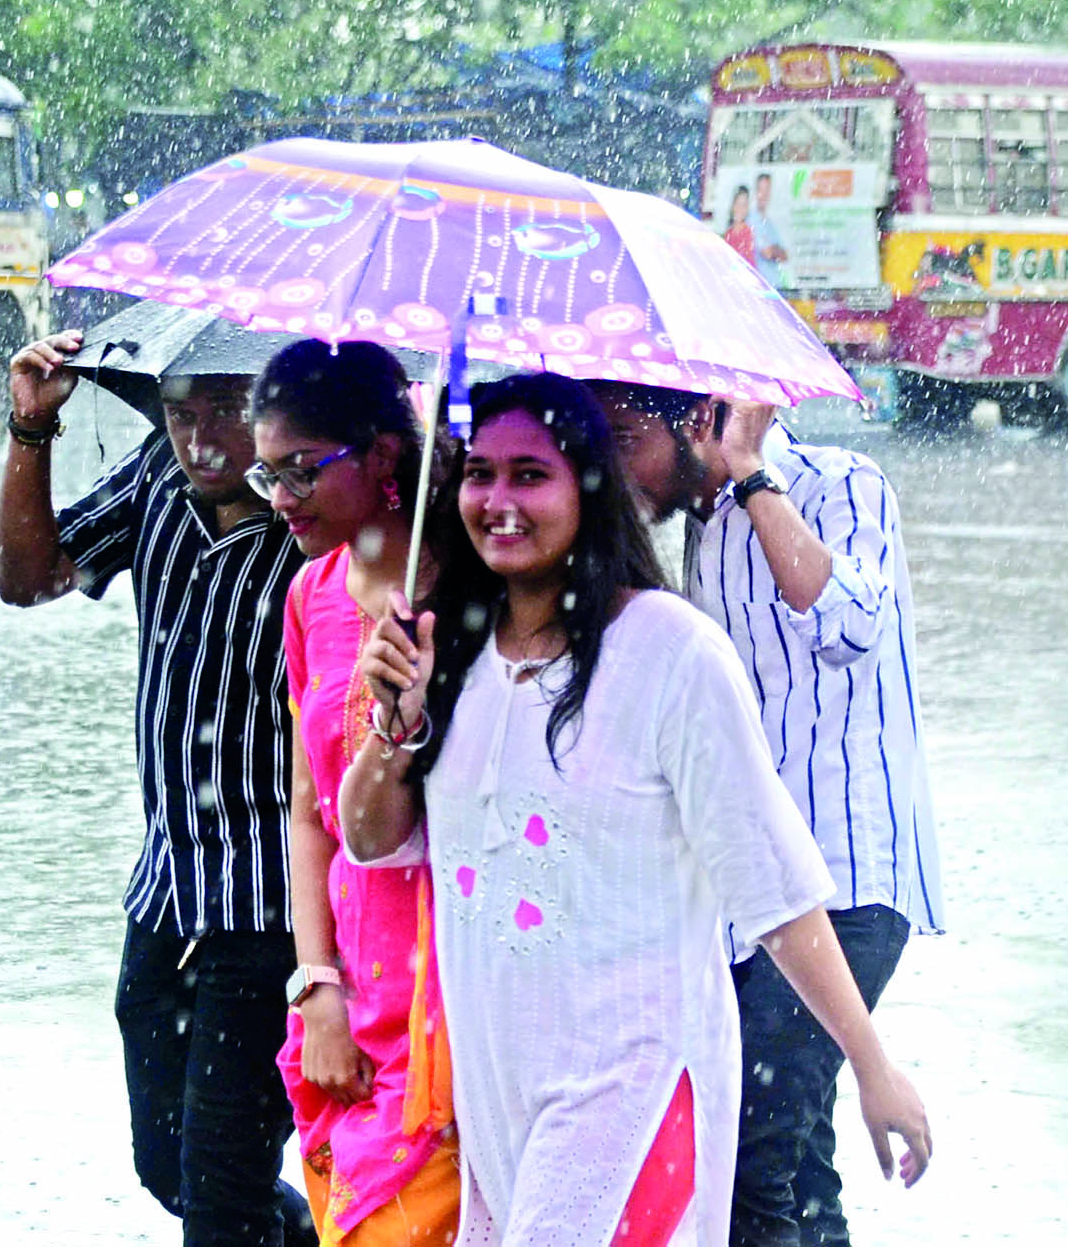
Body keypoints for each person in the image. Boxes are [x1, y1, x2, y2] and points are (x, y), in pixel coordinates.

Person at [335, 373, 932, 1247]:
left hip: (636, 1084)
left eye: (531, 475)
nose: (499, 501)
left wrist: (873, 1066)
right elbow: (368, 839)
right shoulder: (446, 648)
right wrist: (395, 722)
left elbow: (773, 883)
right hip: (503, 1093)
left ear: (591, 488)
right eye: (481, 473)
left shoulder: (672, 652)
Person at [592, 382, 945, 1247]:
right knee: (796, 1155)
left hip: (854, 878)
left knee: (749, 1146)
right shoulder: (700, 534)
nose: (617, 468)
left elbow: (854, 625)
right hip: (759, 896)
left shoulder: (842, 482)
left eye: (629, 438)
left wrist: (751, 474)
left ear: (699, 421)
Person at [0, 329, 315, 1247]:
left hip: (272, 909)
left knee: (219, 1191)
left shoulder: (320, 536)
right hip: (167, 889)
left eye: (228, 412)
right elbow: (30, 579)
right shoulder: (157, 484)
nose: (202, 442)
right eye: (181, 414)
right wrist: (30, 431)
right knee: (169, 1167)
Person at [248, 339, 460, 1246]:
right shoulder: (313, 594)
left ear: (382, 456)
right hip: (352, 991)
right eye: (268, 478)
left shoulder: (472, 581)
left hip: (453, 983)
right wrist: (316, 987)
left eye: (301, 471)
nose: (282, 501)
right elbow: (307, 812)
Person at [752, 172, 791, 289]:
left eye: (767, 190)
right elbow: (767, 253)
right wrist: (775, 250)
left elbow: (785, 256)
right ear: (755, 192)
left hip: (775, 286)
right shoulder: (752, 219)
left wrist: (774, 251)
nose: (764, 195)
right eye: (761, 190)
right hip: (761, 287)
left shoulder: (769, 223)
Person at [723, 184, 757, 266]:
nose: (740, 209)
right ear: (732, 206)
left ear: (747, 208)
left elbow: (746, 262)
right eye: (737, 204)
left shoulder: (747, 233)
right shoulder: (728, 233)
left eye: (744, 205)